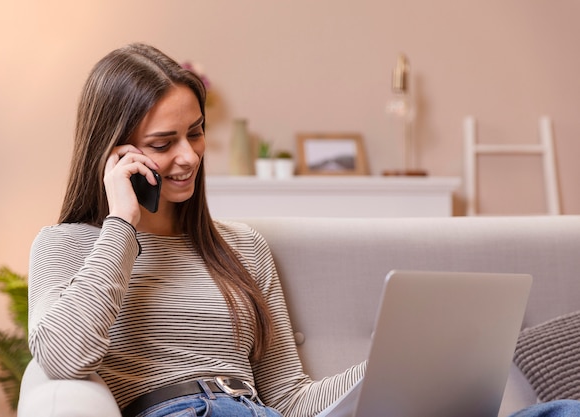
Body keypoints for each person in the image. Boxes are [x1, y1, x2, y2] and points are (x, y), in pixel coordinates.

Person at [27, 42, 365, 417]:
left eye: (195, 132)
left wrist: (388, 365)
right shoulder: (65, 245)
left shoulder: (244, 246)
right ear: (113, 153)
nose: (189, 156)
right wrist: (122, 223)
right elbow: (60, 358)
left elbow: (289, 399)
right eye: (163, 143)